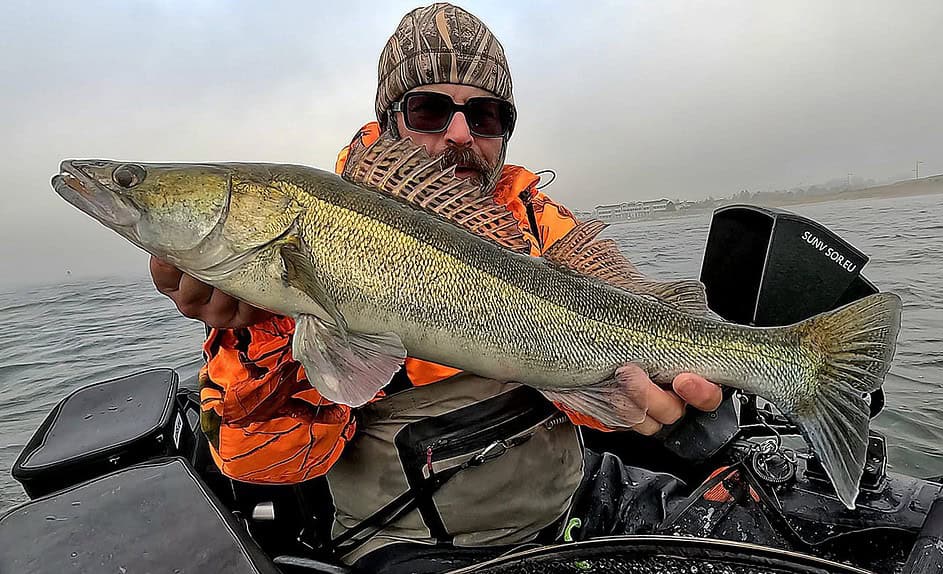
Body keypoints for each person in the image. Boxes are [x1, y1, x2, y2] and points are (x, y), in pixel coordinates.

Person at [150, 3, 723, 572]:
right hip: (412, 544)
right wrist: (267, 327)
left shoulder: (540, 226)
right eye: (429, 110)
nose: (458, 134)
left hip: (571, 502)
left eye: (487, 116)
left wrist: (665, 408)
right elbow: (267, 466)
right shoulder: (313, 231)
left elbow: (611, 381)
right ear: (390, 118)